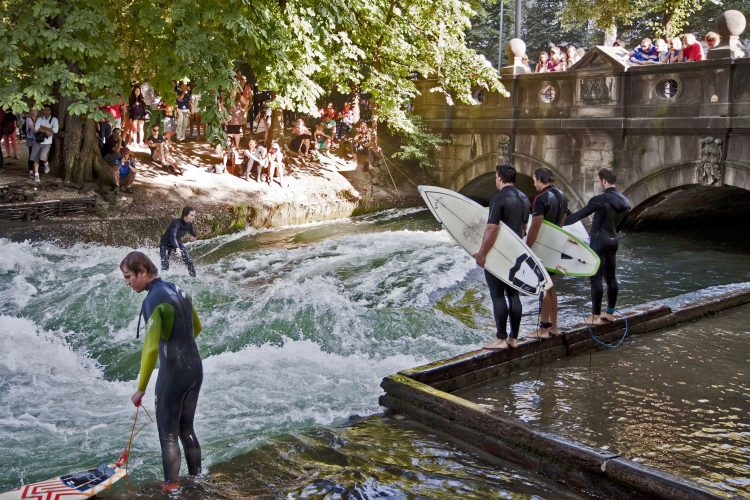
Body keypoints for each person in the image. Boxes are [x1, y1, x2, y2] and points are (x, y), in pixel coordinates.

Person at [120, 251, 202, 490]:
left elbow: (150, 348)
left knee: (167, 435)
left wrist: (141, 389)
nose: (127, 283)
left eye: (128, 277)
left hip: (174, 373)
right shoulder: (178, 289)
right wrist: (178, 340)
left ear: (142, 272)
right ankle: (197, 478)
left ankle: (171, 487)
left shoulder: (153, 300)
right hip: (195, 369)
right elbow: (197, 327)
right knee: (186, 429)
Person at [473, 164, 530, 350]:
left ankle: (500, 338)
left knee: (498, 295)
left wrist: (481, 253)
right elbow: (523, 229)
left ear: (500, 178)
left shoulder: (498, 198)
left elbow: (492, 228)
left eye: (496, 177)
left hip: (499, 253)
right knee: (514, 295)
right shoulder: (524, 199)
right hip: (516, 252)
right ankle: (514, 338)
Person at [564, 168, 631, 325]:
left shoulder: (599, 199)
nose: (600, 183)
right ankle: (610, 314)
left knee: (596, 279)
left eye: (600, 181)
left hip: (599, 242)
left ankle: (594, 317)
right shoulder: (625, 201)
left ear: (604, 181)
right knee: (611, 278)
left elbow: (578, 216)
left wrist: (559, 224)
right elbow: (621, 224)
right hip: (613, 241)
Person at [525, 167, 568, 339]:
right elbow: (562, 223)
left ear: (539, 179)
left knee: (543, 286)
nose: (533, 183)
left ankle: (543, 329)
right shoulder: (563, 196)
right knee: (551, 287)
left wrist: (526, 247)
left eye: (534, 180)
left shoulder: (541, 198)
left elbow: (535, 226)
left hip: (543, 248)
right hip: (555, 246)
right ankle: (554, 327)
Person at [160, 206, 198, 277]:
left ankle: (194, 279)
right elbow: (172, 236)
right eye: (191, 215)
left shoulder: (189, 224)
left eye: (194, 215)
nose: (193, 217)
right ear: (185, 215)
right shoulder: (176, 223)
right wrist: (177, 248)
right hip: (165, 244)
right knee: (165, 265)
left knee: (189, 262)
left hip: (177, 242)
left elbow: (193, 233)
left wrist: (194, 237)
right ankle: (163, 281)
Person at [31, 105, 59, 182]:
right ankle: (36, 175)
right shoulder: (40, 119)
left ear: (51, 111)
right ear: (43, 111)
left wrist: (42, 128)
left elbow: (55, 130)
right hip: (37, 140)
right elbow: (36, 129)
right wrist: (47, 131)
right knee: (36, 158)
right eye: (45, 110)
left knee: (43, 156)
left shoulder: (54, 120)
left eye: (48, 110)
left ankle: (46, 163)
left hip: (47, 142)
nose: (46, 111)